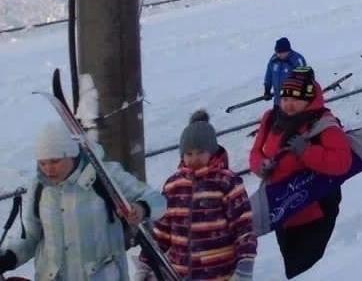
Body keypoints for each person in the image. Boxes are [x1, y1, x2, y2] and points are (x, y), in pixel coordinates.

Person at [0, 121, 166, 281]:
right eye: (43, 163)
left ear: (72, 154)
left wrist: (141, 208)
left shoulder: (104, 177)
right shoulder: (39, 187)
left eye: (55, 161)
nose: (48, 169)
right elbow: (30, 236)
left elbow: (157, 199)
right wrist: (8, 257)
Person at [249, 68, 352, 278]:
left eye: (296, 99)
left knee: (306, 272)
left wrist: (306, 151)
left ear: (309, 99)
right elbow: (256, 153)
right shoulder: (271, 119)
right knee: (292, 265)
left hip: (315, 210)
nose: (288, 104)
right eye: (285, 97)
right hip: (281, 209)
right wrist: (262, 166)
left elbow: (342, 162)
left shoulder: (323, 123)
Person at [145, 110, 255, 281]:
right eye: (189, 154)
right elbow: (162, 233)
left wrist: (245, 267)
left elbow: (244, 229)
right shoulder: (173, 185)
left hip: (219, 274)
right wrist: (146, 263)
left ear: (212, 151)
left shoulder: (226, 182)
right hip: (180, 275)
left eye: (200, 152)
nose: (194, 158)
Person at [263, 37, 307, 103]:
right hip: (278, 100)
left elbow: (304, 79)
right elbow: (269, 76)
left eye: (281, 53)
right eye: (277, 52)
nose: (278, 55)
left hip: (293, 102)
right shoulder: (274, 60)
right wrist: (267, 90)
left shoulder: (297, 60)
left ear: (288, 51)